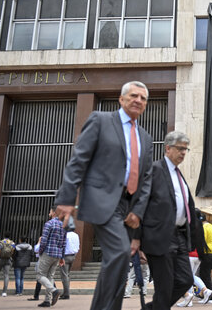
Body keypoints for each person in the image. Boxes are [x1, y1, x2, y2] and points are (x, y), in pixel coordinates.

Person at [54, 81, 154, 310]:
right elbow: (78, 159)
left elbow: (146, 179)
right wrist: (67, 199)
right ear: (121, 99)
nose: (138, 100)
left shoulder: (145, 137)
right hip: (103, 199)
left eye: (143, 98)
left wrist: (138, 211)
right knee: (119, 253)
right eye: (134, 95)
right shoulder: (101, 120)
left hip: (128, 209)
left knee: (120, 263)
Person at [139, 131, 196, 310]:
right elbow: (139, 204)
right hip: (159, 235)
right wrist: (137, 240)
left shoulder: (178, 175)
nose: (183, 153)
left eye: (186, 149)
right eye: (180, 148)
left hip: (179, 236)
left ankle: (151, 309)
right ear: (168, 148)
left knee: (185, 280)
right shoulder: (155, 170)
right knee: (164, 287)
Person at [37, 207, 67, 307]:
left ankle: (54, 291)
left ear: (54, 213)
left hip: (48, 253)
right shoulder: (63, 226)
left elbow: (44, 240)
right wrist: (62, 257)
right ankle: (47, 300)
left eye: (50, 211)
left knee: (40, 275)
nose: (49, 212)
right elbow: (63, 243)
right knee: (50, 276)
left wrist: (40, 251)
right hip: (57, 255)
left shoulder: (49, 224)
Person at [59, 227, 80, 300]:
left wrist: (61, 258)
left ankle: (66, 294)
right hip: (73, 256)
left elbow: (62, 246)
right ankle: (65, 292)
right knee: (67, 274)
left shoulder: (65, 235)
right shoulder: (76, 235)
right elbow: (78, 247)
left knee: (64, 275)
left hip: (65, 256)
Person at [0, 231, 16, 297]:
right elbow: (12, 252)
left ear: (4, 235)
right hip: (8, 260)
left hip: (0, 259)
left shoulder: (0, 242)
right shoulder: (12, 243)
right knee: (6, 275)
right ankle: (4, 292)